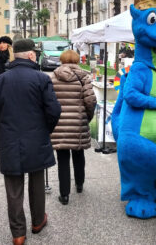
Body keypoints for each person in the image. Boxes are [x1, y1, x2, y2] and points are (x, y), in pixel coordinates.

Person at [0, 39, 61, 245]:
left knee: (13, 189)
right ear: (30, 55)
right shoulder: (41, 79)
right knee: (36, 183)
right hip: (36, 139)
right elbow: (54, 111)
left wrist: (0, 142)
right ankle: (37, 221)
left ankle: (18, 233)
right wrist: (46, 131)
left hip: (10, 140)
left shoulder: (0, 81)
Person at [50, 50, 97, 205]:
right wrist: (86, 117)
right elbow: (90, 101)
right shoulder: (84, 76)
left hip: (59, 124)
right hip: (78, 122)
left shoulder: (53, 77)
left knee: (62, 158)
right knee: (78, 154)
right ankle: (79, 184)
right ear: (77, 61)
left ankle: (64, 195)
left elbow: (49, 102)